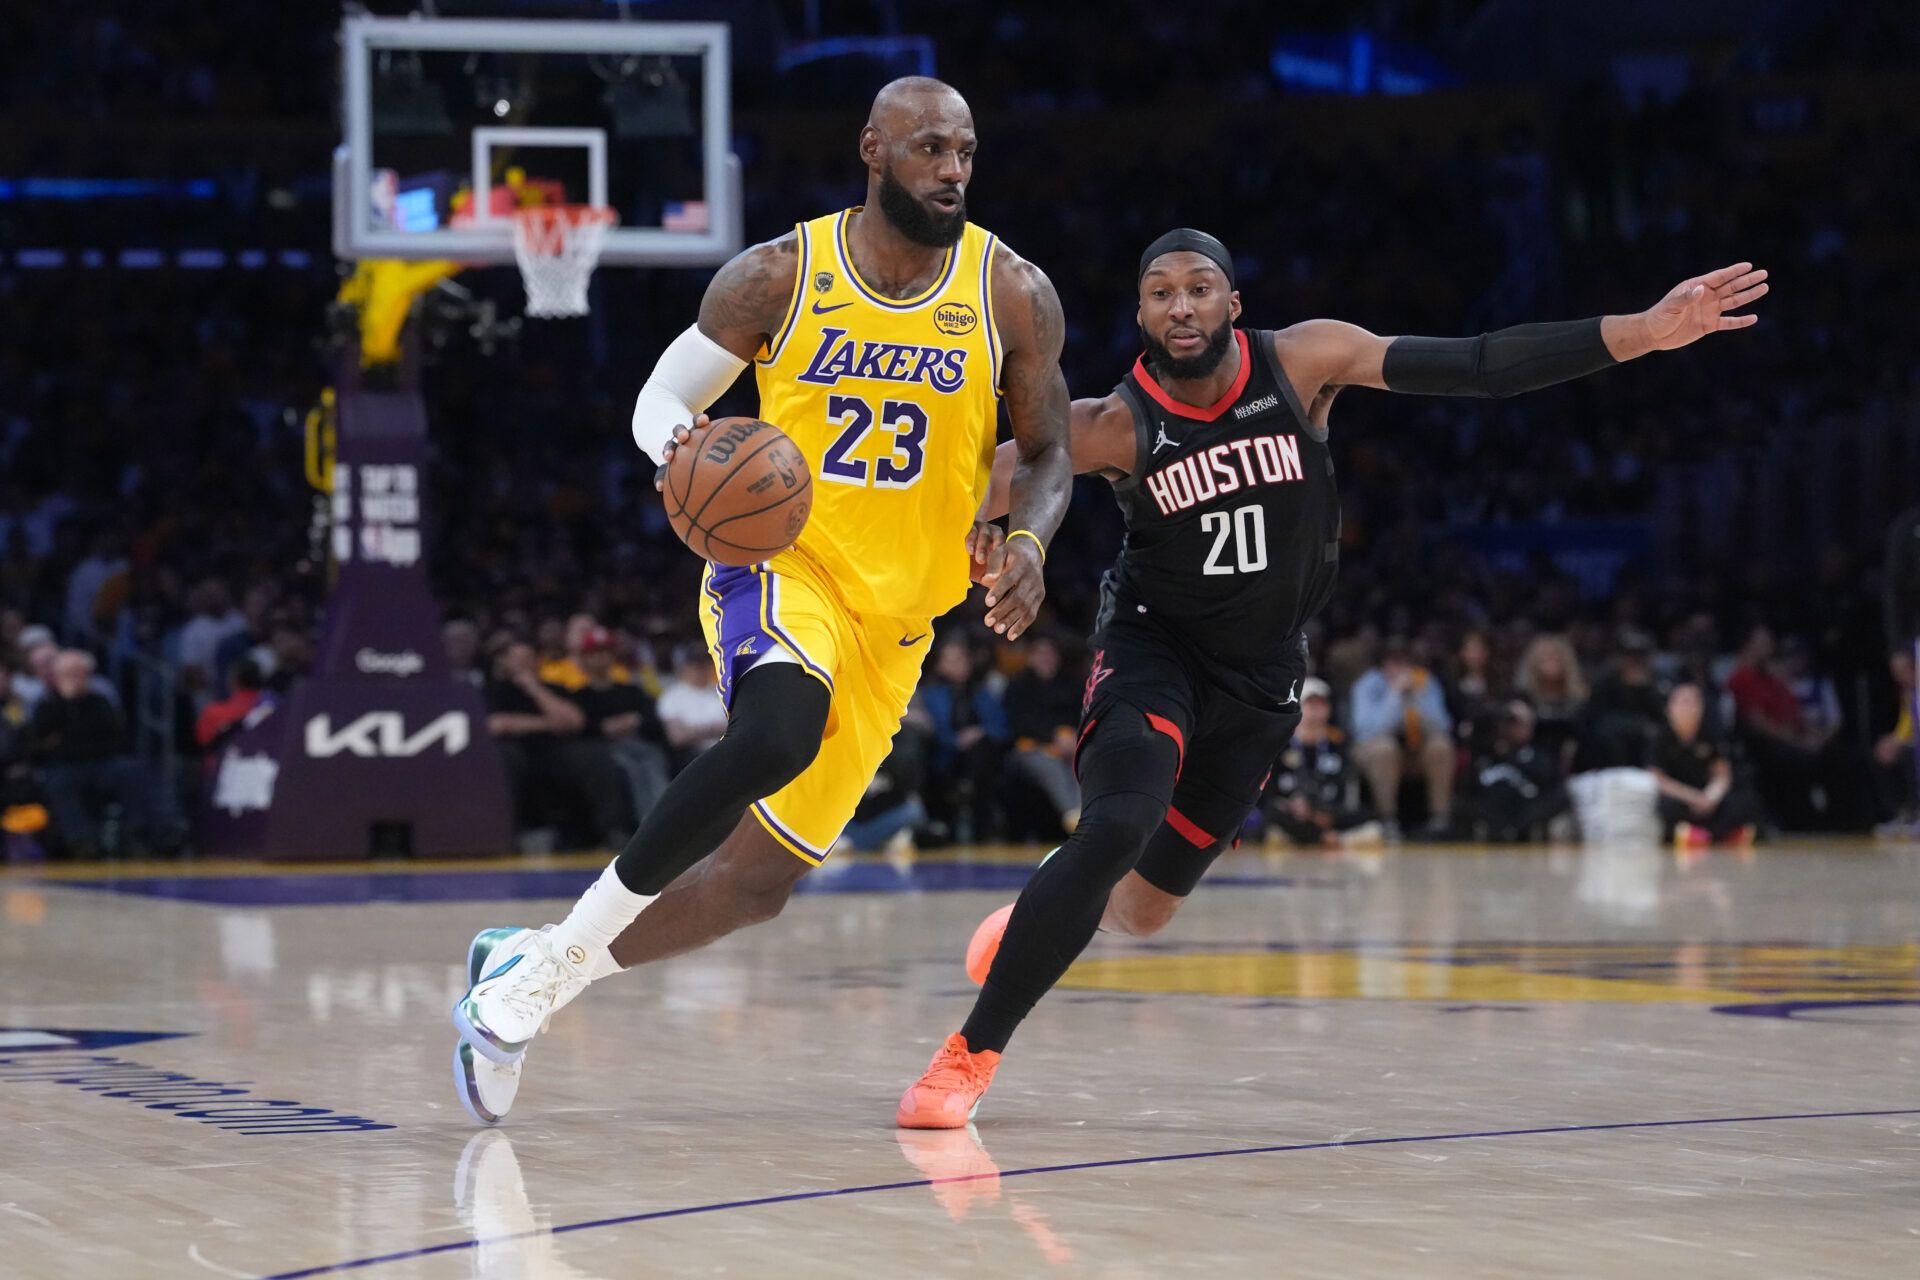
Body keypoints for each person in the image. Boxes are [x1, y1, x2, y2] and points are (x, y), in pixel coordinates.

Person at [896, 227, 1769, 1128]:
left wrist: (1644, 331)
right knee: (1117, 823)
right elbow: (969, 481)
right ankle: (969, 1056)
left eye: (1199, 287)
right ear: (1141, 316)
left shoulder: (1304, 362)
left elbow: (1477, 365)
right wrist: (981, 530)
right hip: (1153, 650)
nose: (1181, 305)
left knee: (1144, 911)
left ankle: (1051, 899)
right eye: (1160, 292)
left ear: (1234, 304)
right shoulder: (1116, 422)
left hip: (1264, 676)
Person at [448, 76, 1073, 1125]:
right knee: (779, 728)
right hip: (784, 565)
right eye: (930, 147)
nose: (953, 169)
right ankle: (536, 980)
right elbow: (662, 396)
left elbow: (1050, 451)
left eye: (965, 150)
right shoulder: (781, 274)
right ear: (872, 148)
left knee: (750, 888)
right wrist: (681, 450)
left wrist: (1029, 540)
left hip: (900, 622)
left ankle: (533, 963)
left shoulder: (1011, 291)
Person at [483, 640, 631, 853]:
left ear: (537, 662)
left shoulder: (554, 688)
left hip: (555, 751)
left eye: (526, 659)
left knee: (594, 754)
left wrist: (532, 687)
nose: (521, 665)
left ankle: (614, 831)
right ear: (505, 662)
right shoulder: (494, 691)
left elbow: (574, 721)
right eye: (516, 660)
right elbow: (497, 724)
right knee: (505, 759)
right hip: (515, 751)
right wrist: (549, 723)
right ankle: (507, 837)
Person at [29, 649, 154, 856]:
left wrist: (66, 739)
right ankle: (82, 841)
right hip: (65, 767)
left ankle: (135, 834)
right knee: (59, 783)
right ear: (57, 677)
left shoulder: (99, 702)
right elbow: (40, 743)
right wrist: (68, 705)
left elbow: (115, 738)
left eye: (79, 673)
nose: (75, 679)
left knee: (132, 771)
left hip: (102, 763)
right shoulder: (46, 705)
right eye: (69, 674)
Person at [570, 625, 671, 825]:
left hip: (640, 744)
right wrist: (605, 727)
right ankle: (647, 826)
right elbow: (581, 728)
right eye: (594, 653)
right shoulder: (580, 697)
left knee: (653, 761)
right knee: (630, 768)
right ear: (584, 658)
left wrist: (634, 721)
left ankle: (666, 822)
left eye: (605, 652)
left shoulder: (631, 691)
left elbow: (651, 718)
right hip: (606, 749)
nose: (601, 658)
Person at [1261, 678, 1378, 848]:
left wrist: (1327, 813)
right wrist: (1293, 806)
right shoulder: (1281, 744)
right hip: (1293, 812)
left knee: (1368, 816)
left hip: (1327, 812)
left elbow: (1343, 783)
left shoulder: (1338, 744)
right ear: (1299, 706)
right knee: (1270, 815)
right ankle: (1328, 839)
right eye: (1310, 704)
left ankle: (1307, 838)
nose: (1315, 711)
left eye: (1321, 704)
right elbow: (1270, 789)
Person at [921, 637, 1010, 844]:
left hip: (980, 755)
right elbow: (931, 729)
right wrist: (956, 740)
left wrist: (980, 732)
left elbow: (1001, 726)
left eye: (960, 659)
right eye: (950, 660)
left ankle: (983, 827)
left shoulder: (980, 692)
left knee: (982, 753)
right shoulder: (931, 692)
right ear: (939, 664)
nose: (957, 665)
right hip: (944, 754)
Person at [1651, 683, 1761, 847]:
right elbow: (1658, 779)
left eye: (1694, 702)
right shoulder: (1660, 737)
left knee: (1744, 800)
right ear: (1669, 708)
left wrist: (1711, 796)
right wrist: (1692, 797)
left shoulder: (1710, 735)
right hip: (1680, 797)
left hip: (1706, 797)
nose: (1689, 708)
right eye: (1684, 702)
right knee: (1663, 806)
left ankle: (1716, 834)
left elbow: (1722, 774)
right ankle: (1701, 834)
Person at [1000, 634, 1084, 837]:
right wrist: (1052, 739)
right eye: (1040, 653)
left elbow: (1082, 715)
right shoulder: (1018, 685)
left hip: (1070, 746)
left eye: (1050, 653)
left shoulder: (1072, 683)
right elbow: (1018, 722)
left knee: (1083, 762)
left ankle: (1088, 817)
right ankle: (1073, 816)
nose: (1046, 658)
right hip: (1031, 748)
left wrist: (1073, 738)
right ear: (1030, 657)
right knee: (1049, 765)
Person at [652, 646, 728, 766]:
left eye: (704, 666)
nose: (700, 671)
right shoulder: (671, 696)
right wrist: (714, 729)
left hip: (727, 749)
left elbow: (737, 726)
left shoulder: (722, 690)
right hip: (693, 756)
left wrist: (694, 730)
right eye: (695, 667)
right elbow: (677, 737)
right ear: (684, 668)